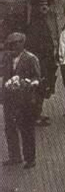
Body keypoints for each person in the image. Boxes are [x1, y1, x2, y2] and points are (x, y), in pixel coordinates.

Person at [1, 33, 41, 169]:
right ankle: (14, 156)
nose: (11, 48)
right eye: (10, 45)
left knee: (26, 129)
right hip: (9, 99)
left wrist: (26, 83)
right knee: (9, 128)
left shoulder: (31, 59)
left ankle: (30, 158)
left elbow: (37, 78)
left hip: (25, 101)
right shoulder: (6, 58)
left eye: (14, 45)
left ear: (21, 44)